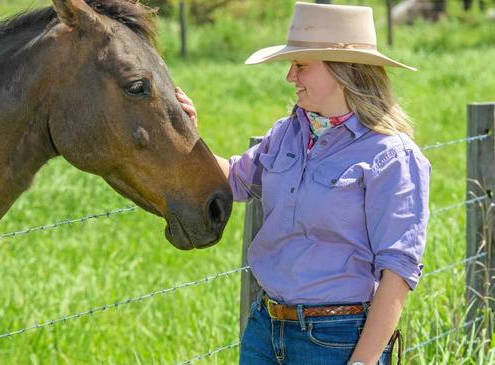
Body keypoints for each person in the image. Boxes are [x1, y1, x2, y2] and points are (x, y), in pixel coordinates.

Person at [176, 2, 430, 365]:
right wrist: (187, 135)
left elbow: (397, 273)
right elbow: (233, 180)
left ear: (342, 71)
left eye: (300, 66)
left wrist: (363, 362)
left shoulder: (390, 156)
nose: (290, 77)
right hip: (265, 329)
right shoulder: (288, 134)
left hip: (337, 339)